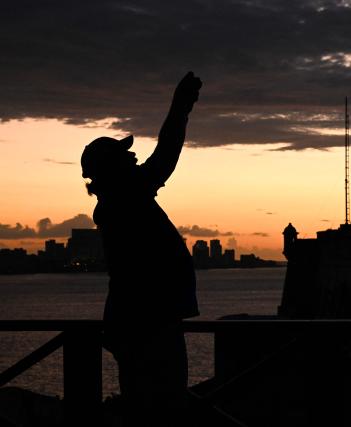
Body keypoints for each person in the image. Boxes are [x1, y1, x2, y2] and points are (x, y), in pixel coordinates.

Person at [81, 72, 202, 426]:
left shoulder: (121, 200)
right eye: (124, 155)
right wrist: (180, 108)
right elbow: (164, 156)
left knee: (149, 404)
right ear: (111, 170)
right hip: (149, 324)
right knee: (159, 406)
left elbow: (161, 159)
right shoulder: (125, 199)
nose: (133, 156)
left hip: (144, 321)